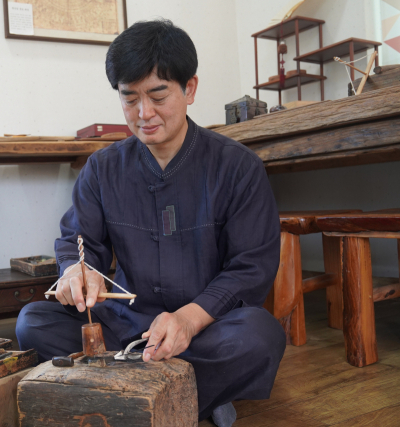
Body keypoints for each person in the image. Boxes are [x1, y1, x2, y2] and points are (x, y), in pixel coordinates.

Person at [16, 19, 285, 427]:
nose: (144, 114)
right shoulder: (102, 169)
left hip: (203, 325)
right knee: (34, 322)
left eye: (158, 95)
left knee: (259, 337)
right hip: (126, 324)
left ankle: (119, 400)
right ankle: (188, 395)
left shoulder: (237, 167)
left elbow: (252, 267)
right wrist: (77, 271)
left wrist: (189, 319)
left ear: (189, 89)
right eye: (130, 99)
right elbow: (78, 239)